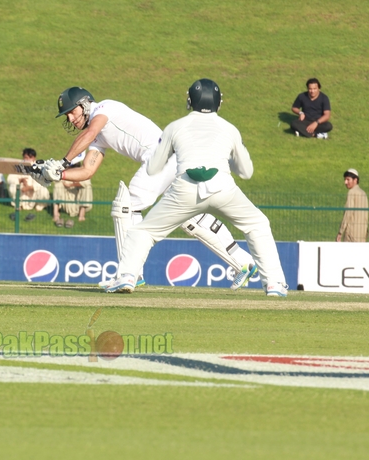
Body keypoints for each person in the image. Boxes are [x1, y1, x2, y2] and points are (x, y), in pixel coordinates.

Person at [33, 86, 257, 290]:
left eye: (72, 111)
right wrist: (58, 174)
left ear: (85, 104)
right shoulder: (98, 138)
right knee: (189, 217)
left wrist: (62, 162)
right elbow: (87, 171)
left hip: (158, 158)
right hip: (173, 160)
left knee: (126, 207)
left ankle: (128, 274)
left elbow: (89, 133)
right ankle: (244, 262)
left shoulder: (104, 108)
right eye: (67, 115)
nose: (71, 118)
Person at [103, 79, 288, 297]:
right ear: (219, 102)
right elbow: (246, 172)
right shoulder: (229, 129)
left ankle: (127, 277)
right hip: (223, 187)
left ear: (190, 101)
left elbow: (154, 167)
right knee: (257, 224)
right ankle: (274, 284)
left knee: (142, 232)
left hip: (184, 188)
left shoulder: (175, 127)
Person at [7, 148, 50, 220]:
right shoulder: (18, 166)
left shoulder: (40, 168)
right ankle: (18, 205)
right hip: (22, 191)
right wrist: (20, 180)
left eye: (30, 157)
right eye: (26, 158)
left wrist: (30, 187)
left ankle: (39, 206)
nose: (28, 160)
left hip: (33, 193)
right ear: (23, 158)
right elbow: (9, 179)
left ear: (34, 158)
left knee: (44, 190)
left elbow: (43, 182)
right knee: (12, 187)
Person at [336, 169, 368, 242]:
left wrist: (340, 231)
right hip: (363, 232)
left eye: (348, 179)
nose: (345, 182)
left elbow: (348, 212)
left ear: (355, 180)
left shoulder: (351, 192)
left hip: (351, 232)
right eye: (345, 180)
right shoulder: (363, 193)